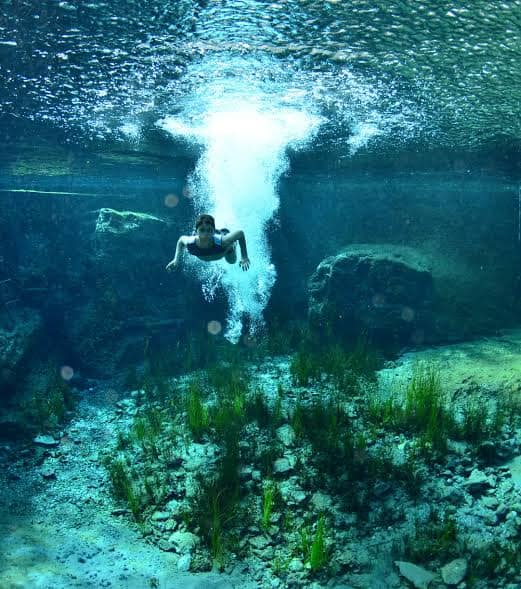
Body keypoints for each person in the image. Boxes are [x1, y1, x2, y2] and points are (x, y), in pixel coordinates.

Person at [166, 214, 250, 272]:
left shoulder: (222, 241)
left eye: (209, 230)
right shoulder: (191, 242)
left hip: (226, 250)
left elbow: (240, 233)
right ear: (196, 231)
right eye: (202, 230)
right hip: (213, 250)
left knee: (232, 261)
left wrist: (244, 257)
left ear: (213, 231)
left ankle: (232, 244)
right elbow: (181, 240)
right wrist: (176, 259)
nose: (205, 234)